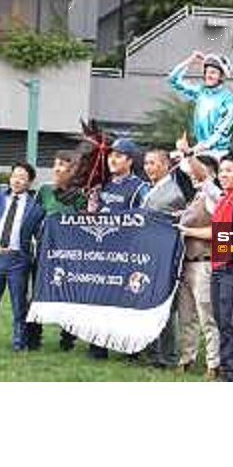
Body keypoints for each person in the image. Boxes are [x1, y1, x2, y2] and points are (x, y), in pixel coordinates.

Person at [177, 128, 233, 381]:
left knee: (229, 323)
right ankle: (224, 370)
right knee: (222, 322)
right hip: (219, 269)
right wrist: (188, 154)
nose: (223, 175)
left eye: (228, 171)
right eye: (221, 171)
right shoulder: (221, 199)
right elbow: (202, 176)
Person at [0, 130, 45, 351]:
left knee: (19, 306)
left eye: (22, 178)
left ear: (29, 182)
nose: (17, 180)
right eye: (15, 175)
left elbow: (43, 234)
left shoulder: (36, 207)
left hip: (18, 261)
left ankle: (19, 343)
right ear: (10, 177)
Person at [88, 137, 150, 359]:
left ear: (130, 161)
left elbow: (144, 220)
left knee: (126, 302)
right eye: (110, 155)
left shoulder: (140, 187)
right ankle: (98, 346)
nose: (112, 159)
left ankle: (131, 349)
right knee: (98, 299)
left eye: (118, 156)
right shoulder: (103, 184)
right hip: (102, 251)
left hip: (126, 254)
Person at [173, 137, 222, 380]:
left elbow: (217, 233)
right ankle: (187, 358)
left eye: (196, 170)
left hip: (203, 263)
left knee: (206, 317)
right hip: (188, 264)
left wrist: (187, 231)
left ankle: (214, 363)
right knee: (187, 316)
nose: (191, 175)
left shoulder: (214, 197)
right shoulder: (196, 198)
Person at [29, 149, 88, 351]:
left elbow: (84, 223)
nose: (56, 169)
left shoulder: (80, 194)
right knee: (37, 295)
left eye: (62, 165)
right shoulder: (44, 190)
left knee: (69, 296)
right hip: (44, 254)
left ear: (72, 171)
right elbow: (33, 218)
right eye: (55, 164)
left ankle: (67, 340)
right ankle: (33, 338)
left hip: (70, 255)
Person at [141, 149, 193, 368]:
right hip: (149, 255)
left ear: (164, 165)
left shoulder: (173, 193)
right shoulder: (150, 190)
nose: (148, 167)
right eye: (146, 163)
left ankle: (168, 356)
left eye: (152, 163)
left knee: (165, 307)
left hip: (165, 258)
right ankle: (153, 353)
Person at [167, 51, 233, 157]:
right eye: (207, 72)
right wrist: (190, 61)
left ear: (221, 76)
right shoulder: (201, 92)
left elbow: (222, 130)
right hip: (199, 150)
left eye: (213, 72)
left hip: (218, 153)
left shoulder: (228, 99)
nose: (208, 75)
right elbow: (173, 80)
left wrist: (198, 148)